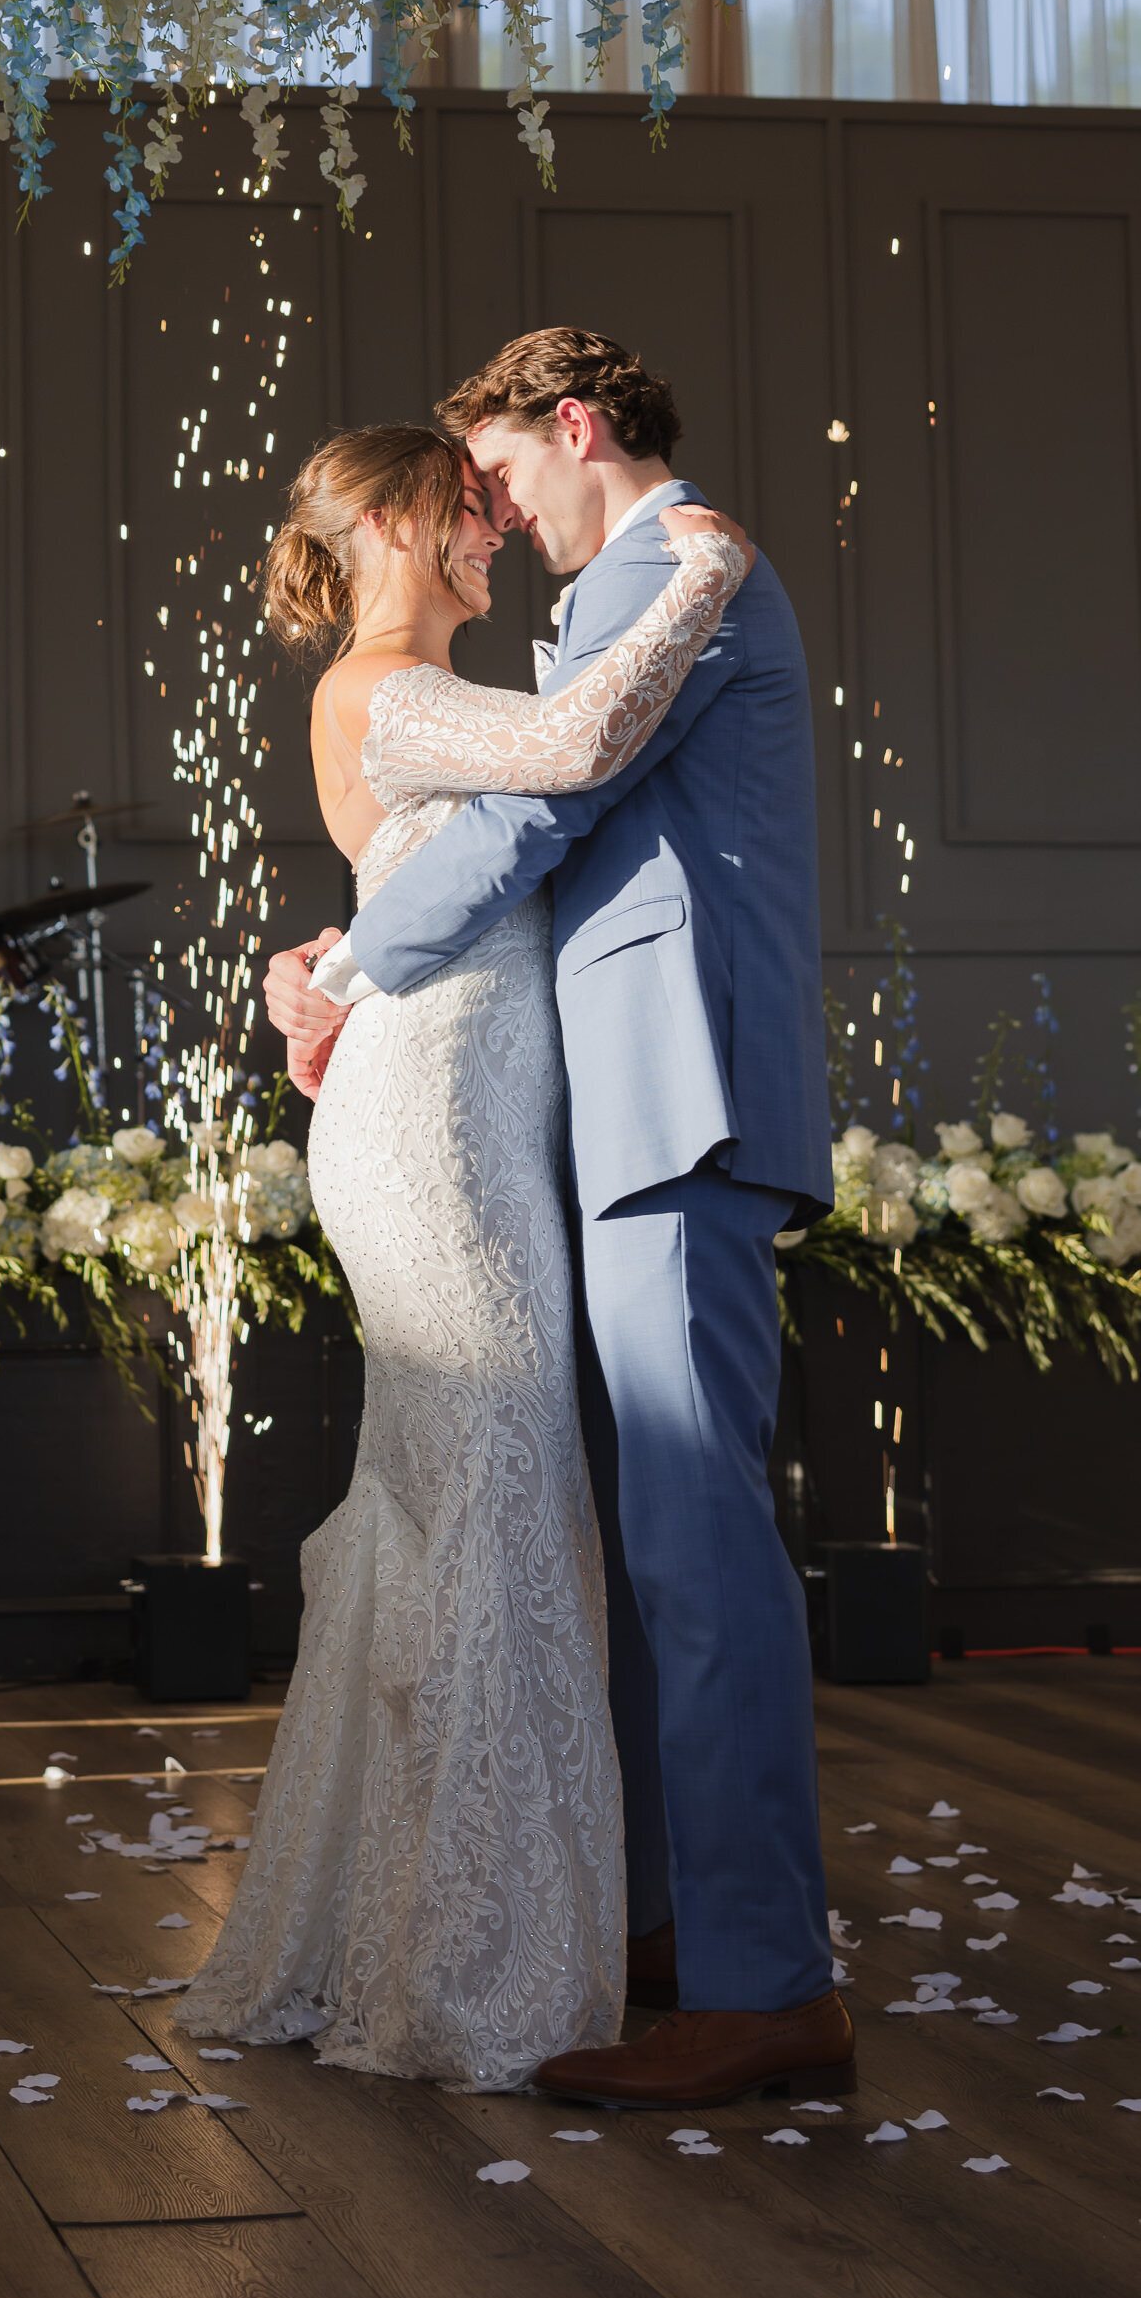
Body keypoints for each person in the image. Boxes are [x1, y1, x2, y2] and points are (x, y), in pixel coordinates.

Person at [264, 330, 851, 2114]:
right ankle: (669, 1929)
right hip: (591, 1115)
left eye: (503, 474)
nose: (497, 516)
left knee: (693, 1545)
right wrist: (349, 952)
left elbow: (537, 817)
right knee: (633, 1542)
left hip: (678, 1099)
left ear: (573, 427)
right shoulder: (620, 595)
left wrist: (341, 967)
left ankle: (764, 1984)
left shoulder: (677, 568)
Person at [178, 422, 751, 2093]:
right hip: (431, 1131)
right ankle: (475, 1970)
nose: (493, 528)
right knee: (495, 1489)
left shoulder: (396, 693)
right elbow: (576, 744)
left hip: (458, 1115)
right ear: (382, 521)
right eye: (462, 508)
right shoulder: (380, 685)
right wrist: (701, 575)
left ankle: (429, 1932)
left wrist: (324, 967)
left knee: (463, 1499)